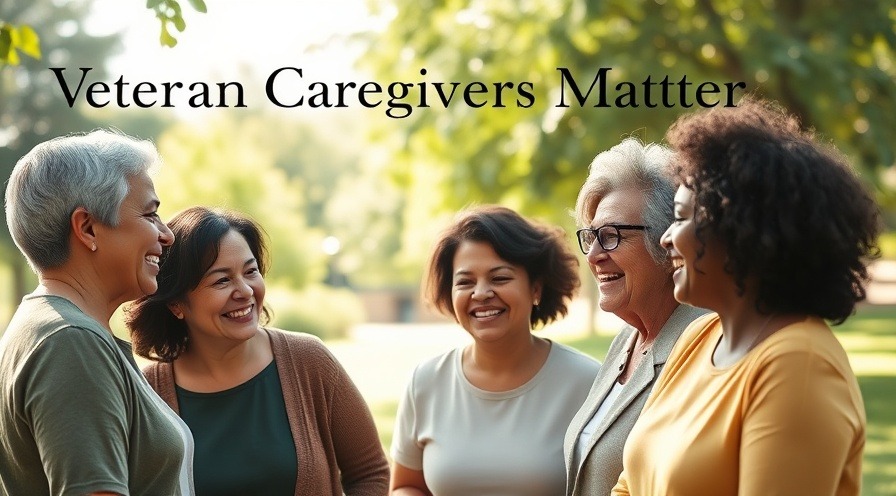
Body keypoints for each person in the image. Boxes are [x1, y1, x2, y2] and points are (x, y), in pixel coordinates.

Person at [612, 98, 879, 495]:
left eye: (682, 218)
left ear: (740, 230)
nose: (666, 237)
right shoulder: (696, 339)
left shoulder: (797, 365)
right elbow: (630, 484)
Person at [125, 206, 389, 496]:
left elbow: (370, 471)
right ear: (176, 304)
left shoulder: (309, 361)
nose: (246, 291)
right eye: (222, 280)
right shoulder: (148, 394)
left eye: (250, 271)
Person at [0, 129, 194, 495]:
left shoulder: (49, 330)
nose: (166, 234)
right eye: (150, 214)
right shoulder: (70, 344)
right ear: (87, 228)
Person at [390, 205, 600, 496]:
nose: (481, 293)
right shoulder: (425, 382)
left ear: (536, 289)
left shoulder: (589, 383)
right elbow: (406, 485)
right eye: (465, 282)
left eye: (500, 278)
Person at [562, 138, 706, 496]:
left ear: (668, 241)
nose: (594, 255)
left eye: (611, 237)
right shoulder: (626, 342)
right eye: (591, 236)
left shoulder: (704, 343)